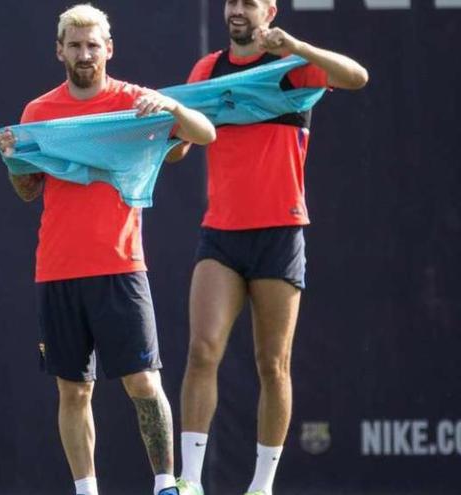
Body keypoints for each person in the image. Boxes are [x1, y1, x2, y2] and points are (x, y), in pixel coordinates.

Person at [0, 5, 216, 495]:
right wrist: (12, 161)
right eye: (75, 45)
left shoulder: (137, 102)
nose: (85, 54)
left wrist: (171, 107)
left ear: (109, 49)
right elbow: (29, 190)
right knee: (73, 391)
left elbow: (205, 133)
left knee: (143, 384)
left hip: (120, 266)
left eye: (93, 45)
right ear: (59, 51)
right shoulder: (38, 112)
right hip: (57, 269)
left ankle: (165, 485)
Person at [168, 2, 369, 494]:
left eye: (249, 2)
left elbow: (357, 76)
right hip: (222, 233)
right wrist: (168, 134)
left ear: (270, 10)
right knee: (202, 351)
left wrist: (296, 46)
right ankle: (189, 482)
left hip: (280, 232)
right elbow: (180, 147)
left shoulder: (294, 66)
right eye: (231, 2)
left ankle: (262, 486)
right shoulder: (207, 70)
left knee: (272, 364)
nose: (237, 10)